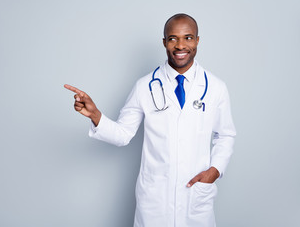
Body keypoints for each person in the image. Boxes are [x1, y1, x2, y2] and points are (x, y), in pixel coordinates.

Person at [64, 13, 236, 227]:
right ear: (164, 42)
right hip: (155, 198)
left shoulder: (216, 87)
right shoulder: (144, 86)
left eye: (188, 37)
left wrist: (215, 170)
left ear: (197, 40)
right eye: (173, 38)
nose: (180, 45)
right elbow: (123, 135)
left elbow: (226, 134)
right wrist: (96, 115)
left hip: (196, 196)